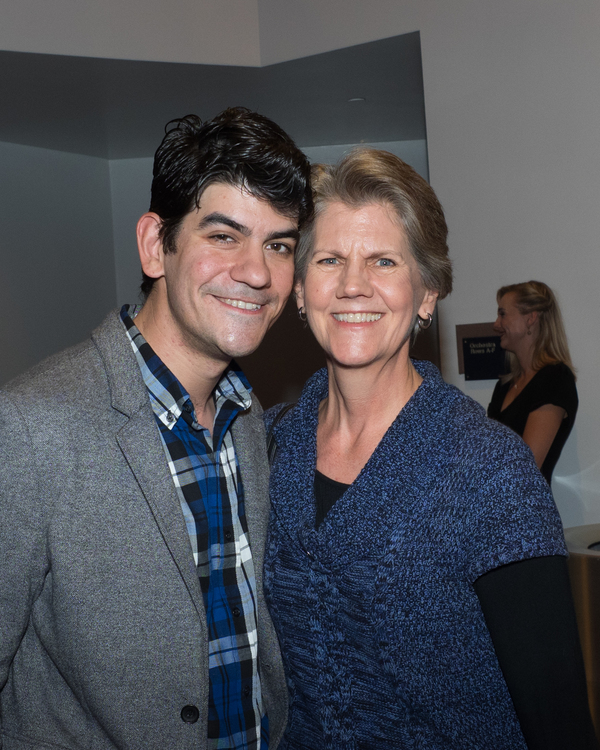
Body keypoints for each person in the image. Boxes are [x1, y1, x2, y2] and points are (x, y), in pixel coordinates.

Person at [0, 107, 312, 750]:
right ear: (154, 245)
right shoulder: (34, 427)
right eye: (224, 236)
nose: (257, 273)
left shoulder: (247, 423)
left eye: (278, 244)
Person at [264, 149, 597, 750]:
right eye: (330, 259)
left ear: (427, 293)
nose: (352, 284)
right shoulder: (268, 446)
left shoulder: (488, 471)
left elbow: (560, 722)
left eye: (384, 260)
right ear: (299, 290)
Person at [488, 280, 578, 483]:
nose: (496, 324)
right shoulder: (504, 386)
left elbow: (525, 468)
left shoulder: (555, 379)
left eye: (503, 314)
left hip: (528, 513)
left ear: (530, 319)